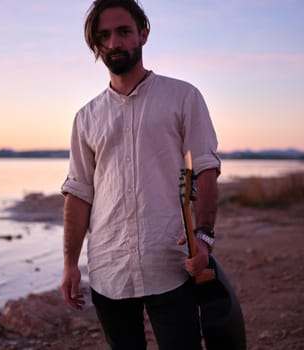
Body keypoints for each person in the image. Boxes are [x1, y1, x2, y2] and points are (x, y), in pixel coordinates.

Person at [60, 0, 221, 349]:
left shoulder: (183, 97)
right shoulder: (85, 118)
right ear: (96, 45)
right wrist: (70, 264)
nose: (114, 43)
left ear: (143, 34)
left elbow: (206, 170)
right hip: (108, 269)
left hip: (172, 264)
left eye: (123, 32)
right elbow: (79, 192)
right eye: (104, 36)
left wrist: (205, 239)